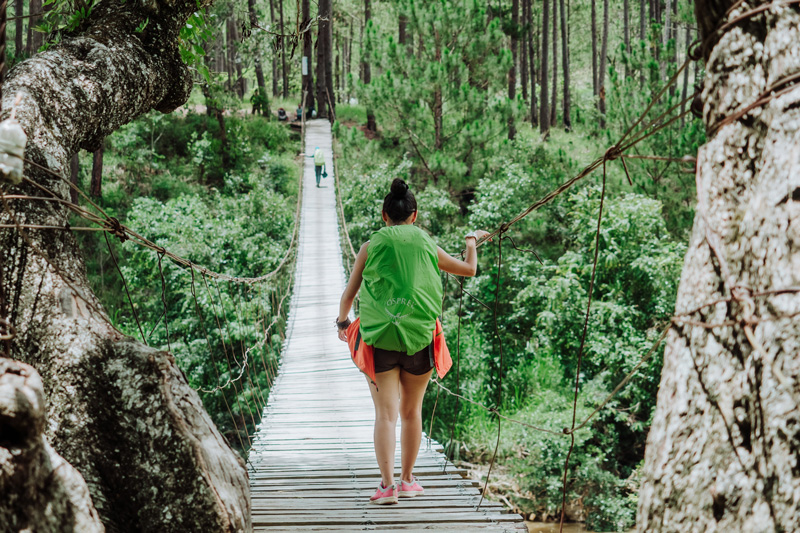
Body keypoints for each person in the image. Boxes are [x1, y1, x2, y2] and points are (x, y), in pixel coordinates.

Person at [336, 178, 489, 505]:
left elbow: (349, 295)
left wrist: (342, 323)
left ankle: (387, 487)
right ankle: (407, 480)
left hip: (380, 341)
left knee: (385, 416)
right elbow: (469, 270)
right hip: (420, 339)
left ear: (384, 215)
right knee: (411, 412)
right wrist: (472, 241)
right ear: (414, 215)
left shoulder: (371, 246)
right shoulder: (425, 244)